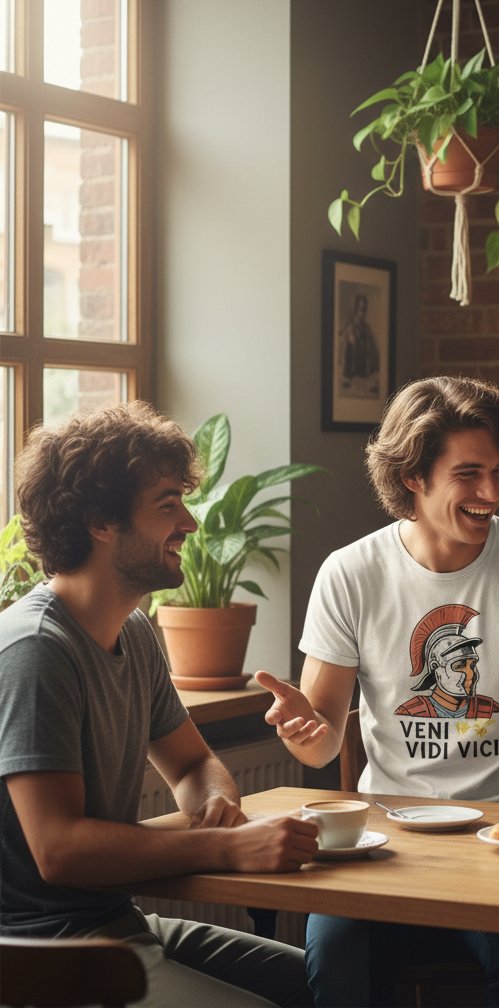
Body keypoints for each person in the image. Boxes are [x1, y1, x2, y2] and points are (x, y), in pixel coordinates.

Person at [256, 375, 499, 1007]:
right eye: (469, 474)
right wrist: (305, 732)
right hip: (384, 841)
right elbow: (320, 745)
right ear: (412, 476)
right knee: (335, 962)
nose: (492, 493)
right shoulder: (351, 572)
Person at [0, 402, 318, 1007]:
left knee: (335, 982)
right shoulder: (36, 650)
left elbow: (194, 765)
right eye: (167, 505)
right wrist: (227, 846)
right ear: (100, 521)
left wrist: (217, 803)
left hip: (118, 926)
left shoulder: (134, 631)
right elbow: (58, 849)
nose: (191, 524)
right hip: (44, 956)